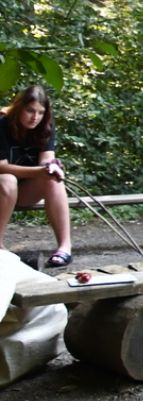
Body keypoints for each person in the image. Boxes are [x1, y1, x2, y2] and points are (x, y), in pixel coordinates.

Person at [0, 86, 70, 267]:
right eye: (30, 111)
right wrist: (38, 171)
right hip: (3, 188)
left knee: (52, 178)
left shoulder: (45, 126)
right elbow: (1, 167)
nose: (35, 117)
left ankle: (64, 247)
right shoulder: (2, 123)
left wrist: (51, 167)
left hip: (23, 191)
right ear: (19, 108)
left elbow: (45, 160)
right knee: (7, 179)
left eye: (40, 112)